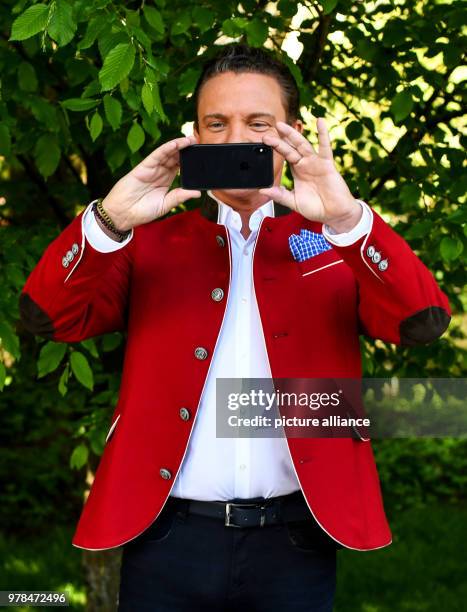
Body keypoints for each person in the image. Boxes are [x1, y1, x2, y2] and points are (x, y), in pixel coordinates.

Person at [19, 44, 450, 611]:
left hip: (297, 537)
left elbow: (422, 322)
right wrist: (110, 220)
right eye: (215, 124)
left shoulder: (336, 244)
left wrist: (347, 221)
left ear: (290, 134)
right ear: (192, 137)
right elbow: (47, 317)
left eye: (258, 124)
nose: (235, 139)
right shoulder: (149, 242)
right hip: (167, 536)